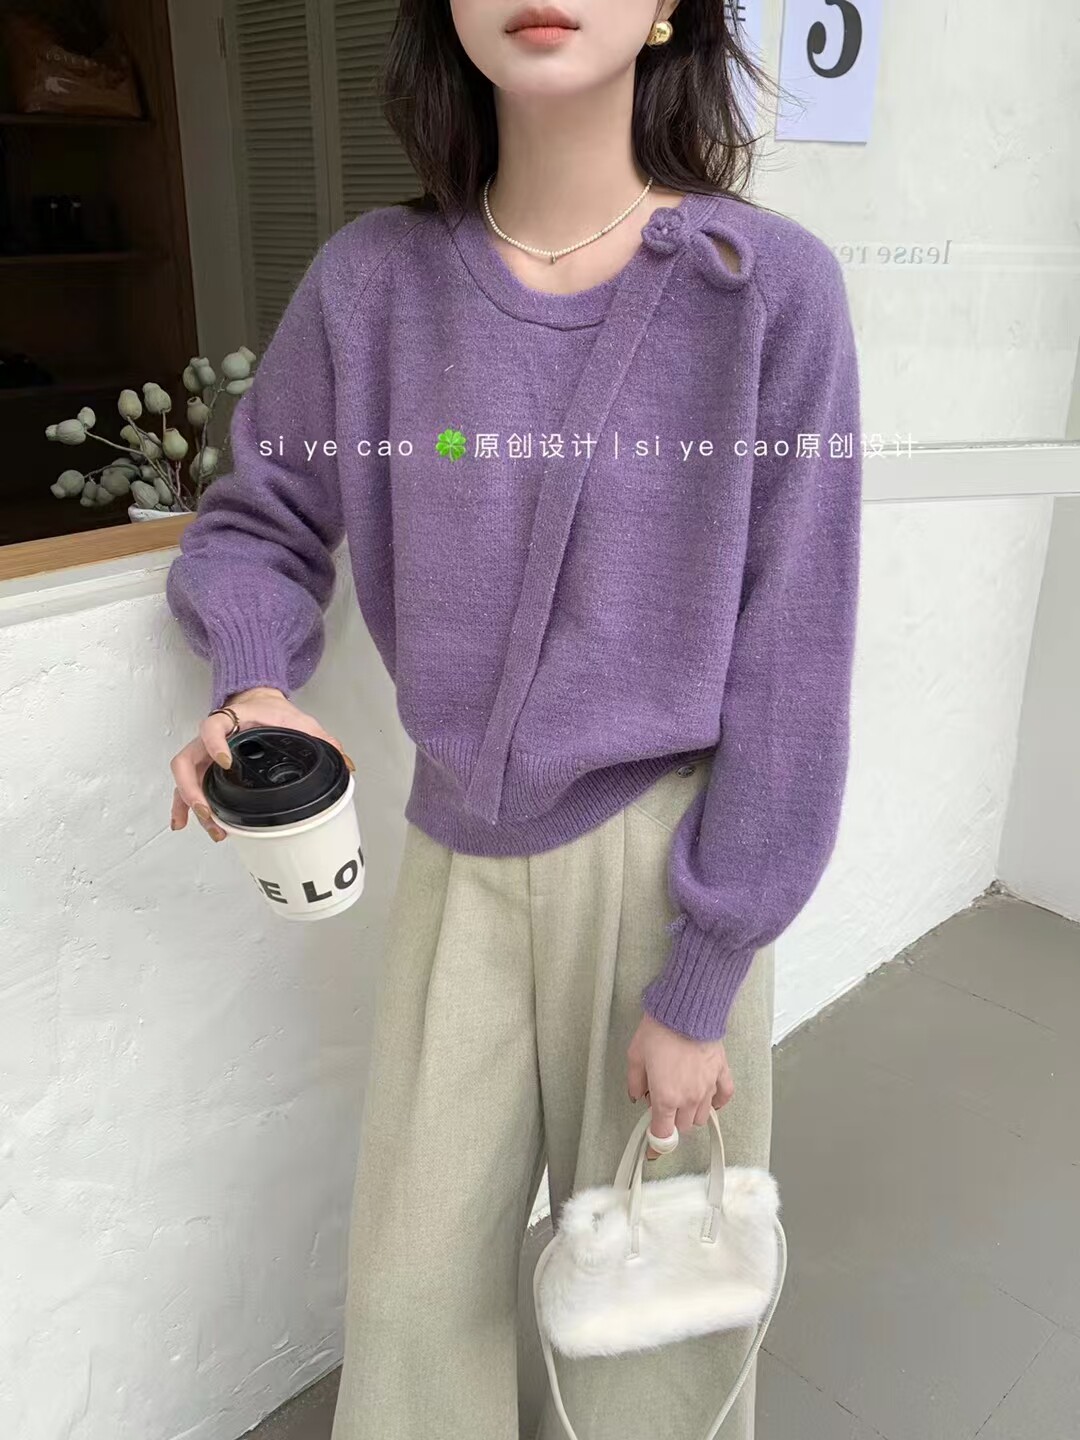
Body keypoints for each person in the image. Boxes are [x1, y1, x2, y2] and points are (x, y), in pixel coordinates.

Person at [165, 1, 862, 1435]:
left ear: (667, 9)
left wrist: (706, 969)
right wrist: (255, 677)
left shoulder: (767, 290)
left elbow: (795, 648)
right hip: (457, 861)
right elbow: (258, 519)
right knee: (414, 1300)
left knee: (652, 1329)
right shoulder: (374, 285)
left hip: (668, 873)